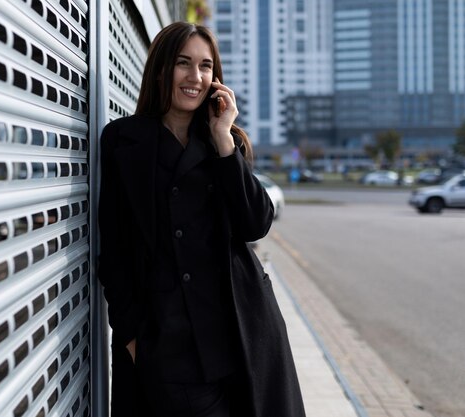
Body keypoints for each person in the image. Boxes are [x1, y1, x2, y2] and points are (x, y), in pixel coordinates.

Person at [98, 22, 305, 417]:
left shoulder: (226, 142)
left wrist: (224, 139)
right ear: (161, 69)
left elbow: (256, 224)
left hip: (240, 340)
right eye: (183, 63)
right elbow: (115, 247)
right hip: (165, 348)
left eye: (206, 66)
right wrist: (131, 338)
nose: (196, 77)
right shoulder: (123, 141)